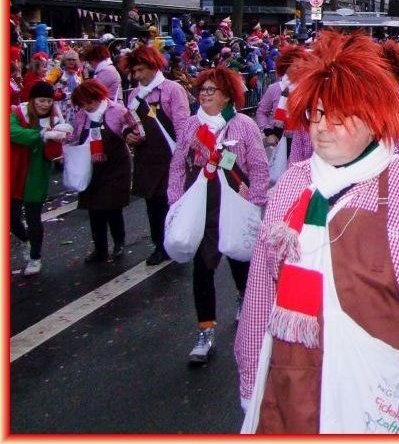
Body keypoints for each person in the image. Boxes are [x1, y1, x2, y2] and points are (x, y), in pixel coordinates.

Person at [236, 32, 399, 433]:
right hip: (293, 395)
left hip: (385, 405)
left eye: (339, 116)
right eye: (316, 113)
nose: (322, 128)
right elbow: (259, 296)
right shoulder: (291, 186)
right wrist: (250, 381)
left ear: (374, 118)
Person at [166, 67, 269, 365]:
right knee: (202, 268)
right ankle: (205, 330)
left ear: (227, 95)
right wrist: (176, 201)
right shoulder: (191, 125)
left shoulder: (244, 125)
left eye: (212, 90)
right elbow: (178, 165)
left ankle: (244, 298)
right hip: (202, 205)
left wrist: (254, 203)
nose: (205, 95)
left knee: (240, 261)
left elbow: (259, 166)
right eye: (202, 89)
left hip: (234, 203)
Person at [122, 45, 190, 265]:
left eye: (141, 70)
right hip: (146, 157)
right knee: (152, 204)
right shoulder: (134, 95)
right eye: (134, 71)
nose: (137, 76)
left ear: (153, 66)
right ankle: (159, 245)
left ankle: (175, 242)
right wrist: (128, 134)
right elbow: (128, 121)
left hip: (169, 156)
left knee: (170, 202)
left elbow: (181, 125)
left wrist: (182, 156)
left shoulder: (172, 90)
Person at [69, 80, 133, 263]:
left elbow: (130, 129)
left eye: (89, 102)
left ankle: (119, 243)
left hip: (115, 167)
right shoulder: (81, 116)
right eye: (82, 104)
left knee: (113, 209)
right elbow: (75, 137)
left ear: (98, 96)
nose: (86, 107)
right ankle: (100, 249)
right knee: (94, 211)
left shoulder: (117, 111)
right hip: (92, 169)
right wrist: (64, 138)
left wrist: (130, 133)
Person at [10, 81, 70, 275]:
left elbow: (60, 143)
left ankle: (35, 257)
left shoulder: (55, 119)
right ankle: (26, 239)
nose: (45, 104)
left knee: (34, 217)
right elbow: (11, 131)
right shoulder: (18, 113)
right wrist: (41, 135)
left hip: (37, 173)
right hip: (15, 171)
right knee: (10, 217)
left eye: (49, 101)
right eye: (41, 100)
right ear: (32, 100)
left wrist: (59, 136)